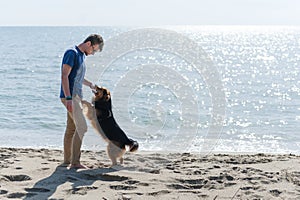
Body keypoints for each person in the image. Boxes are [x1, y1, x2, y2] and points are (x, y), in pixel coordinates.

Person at [60, 34, 104, 169]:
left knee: (71, 128)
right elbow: (64, 76)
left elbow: (77, 78)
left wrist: (91, 85)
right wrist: (68, 98)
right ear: (89, 44)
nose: (93, 53)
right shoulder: (71, 53)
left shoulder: (81, 56)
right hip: (70, 96)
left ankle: (67, 161)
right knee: (82, 127)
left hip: (76, 96)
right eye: (95, 50)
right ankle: (75, 162)